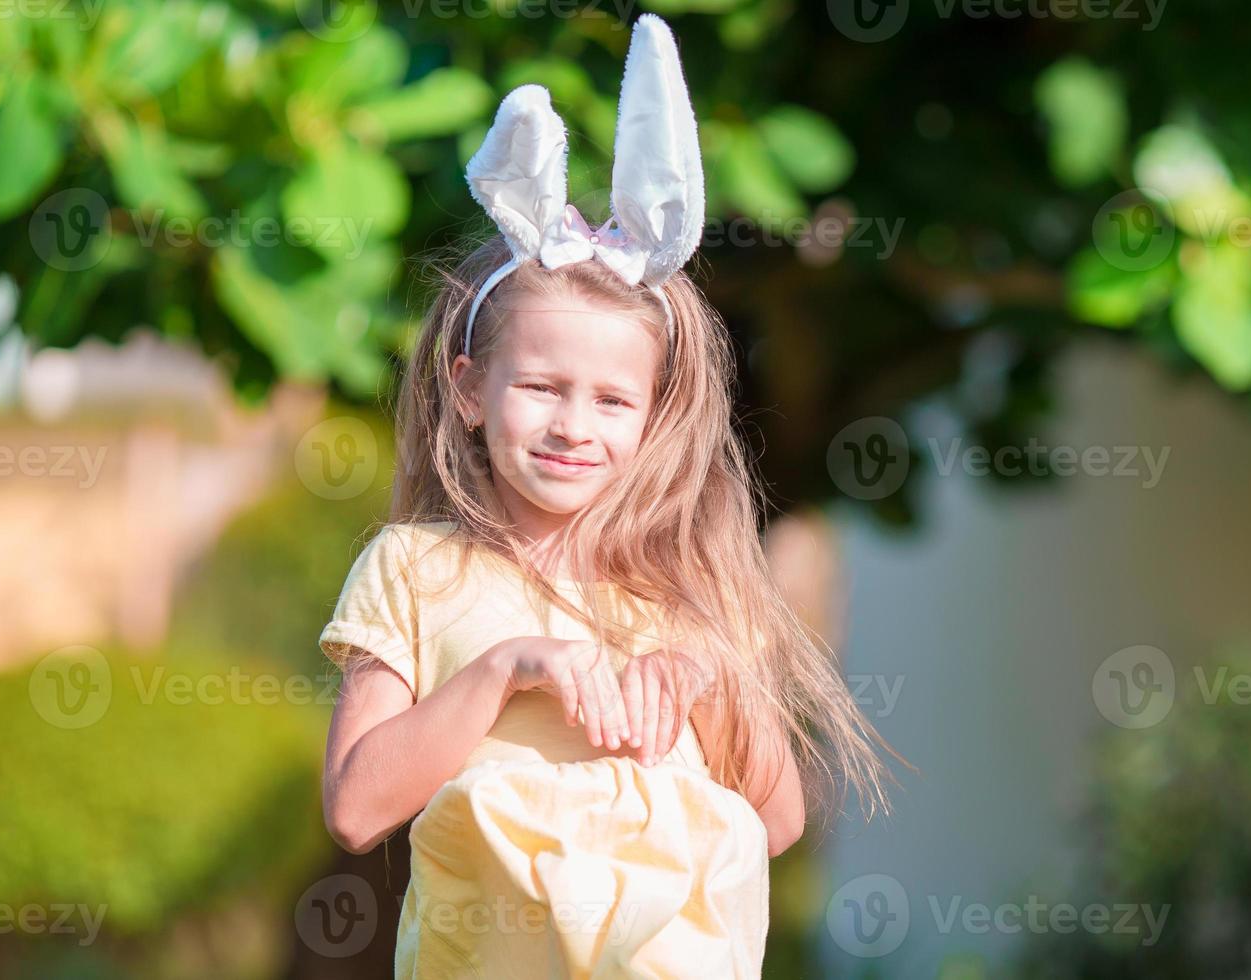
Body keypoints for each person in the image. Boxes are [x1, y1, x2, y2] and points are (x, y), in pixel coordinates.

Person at [317, 15, 897, 977]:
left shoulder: (688, 592)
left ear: (653, 413)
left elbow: (780, 820)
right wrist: (505, 669)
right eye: (540, 387)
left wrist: (710, 684)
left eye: (612, 400)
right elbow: (354, 807)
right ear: (469, 389)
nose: (574, 426)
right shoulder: (417, 569)